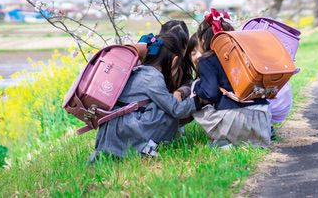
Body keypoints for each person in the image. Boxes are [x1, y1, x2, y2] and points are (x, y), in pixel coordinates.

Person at [91, 30, 197, 160]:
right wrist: (198, 100)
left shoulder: (135, 69)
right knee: (168, 111)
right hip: (125, 130)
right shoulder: (152, 77)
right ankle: (145, 148)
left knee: (161, 105)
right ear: (175, 61)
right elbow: (175, 110)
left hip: (109, 133)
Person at [192, 9, 272, 148]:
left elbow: (210, 93)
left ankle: (225, 141)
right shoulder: (247, 54)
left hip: (233, 119)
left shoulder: (207, 60)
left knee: (195, 90)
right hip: (262, 117)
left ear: (203, 40)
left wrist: (197, 87)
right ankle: (255, 139)